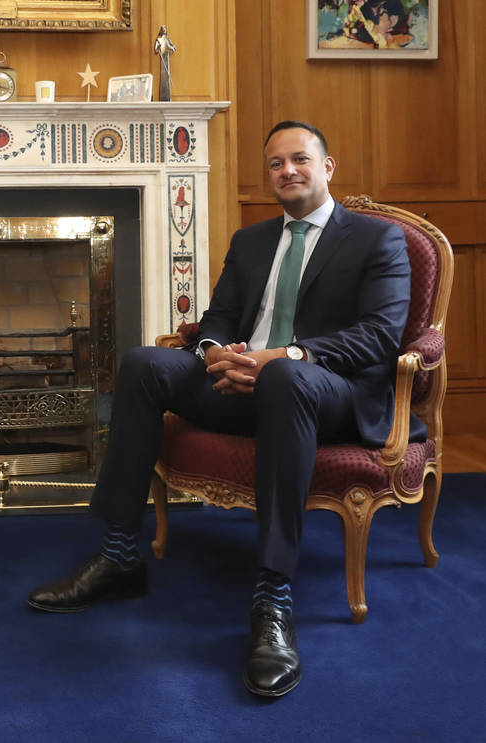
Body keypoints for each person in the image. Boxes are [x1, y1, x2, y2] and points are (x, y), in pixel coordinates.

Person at [26, 121, 417, 697]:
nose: (287, 171)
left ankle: (273, 596)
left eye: (300, 160)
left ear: (327, 167)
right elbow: (218, 319)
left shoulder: (376, 240)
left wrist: (280, 356)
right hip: (239, 381)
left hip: (324, 391)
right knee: (144, 363)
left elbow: (380, 336)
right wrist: (216, 356)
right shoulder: (252, 241)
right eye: (276, 164)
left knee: (284, 376)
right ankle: (118, 557)